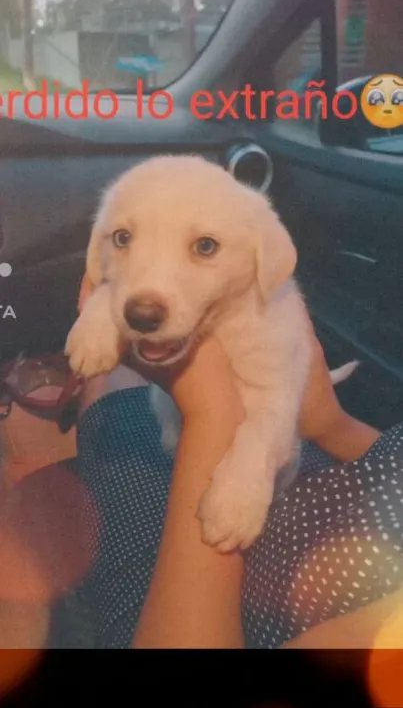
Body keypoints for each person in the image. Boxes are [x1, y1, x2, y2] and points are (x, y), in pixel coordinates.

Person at [70, 274, 403, 650]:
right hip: (318, 476)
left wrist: (214, 411)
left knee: (112, 405)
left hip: (211, 605)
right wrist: (332, 426)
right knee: (123, 373)